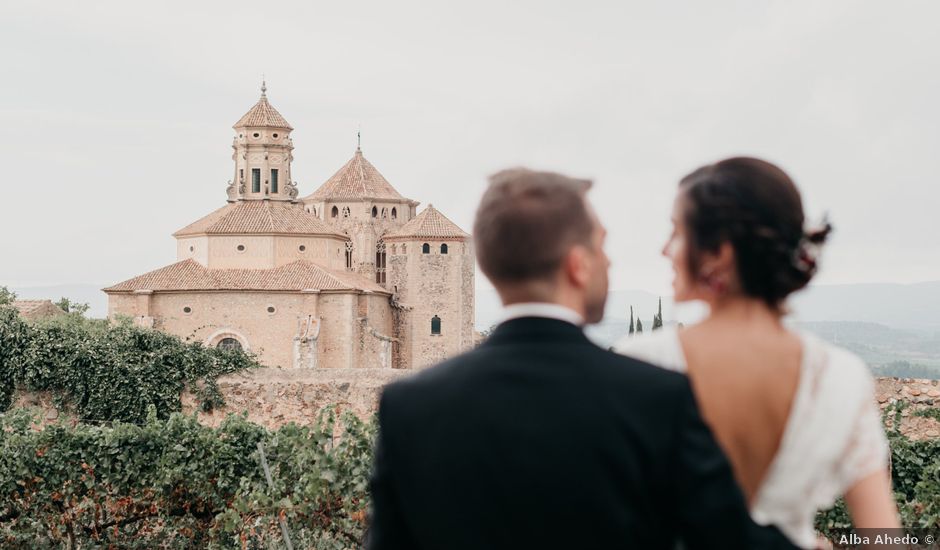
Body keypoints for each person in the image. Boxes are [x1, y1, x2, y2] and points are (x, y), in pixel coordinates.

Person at [367, 168, 798, 549]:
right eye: (601, 247)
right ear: (578, 265)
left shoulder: (410, 406)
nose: (608, 262)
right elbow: (729, 537)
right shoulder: (654, 398)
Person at [613, 157, 901, 548]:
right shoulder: (839, 375)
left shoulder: (637, 364)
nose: (665, 250)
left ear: (720, 254)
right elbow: (882, 537)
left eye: (677, 233)